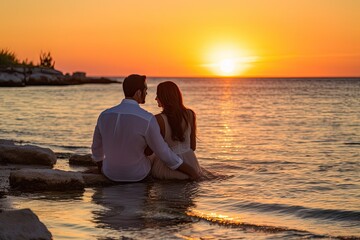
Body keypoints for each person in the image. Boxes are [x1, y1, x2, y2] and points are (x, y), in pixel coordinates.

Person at [91, 74, 199, 182]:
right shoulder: (147, 119)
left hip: (109, 173)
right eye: (145, 90)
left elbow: (96, 148)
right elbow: (163, 152)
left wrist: (101, 168)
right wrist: (190, 170)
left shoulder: (104, 115)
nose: (147, 93)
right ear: (138, 93)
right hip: (137, 175)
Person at [148, 81, 202, 180]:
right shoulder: (190, 114)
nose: (156, 99)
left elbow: (151, 150)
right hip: (191, 166)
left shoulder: (158, 119)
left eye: (157, 95)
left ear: (164, 98)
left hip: (166, 169)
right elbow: (192, 147)